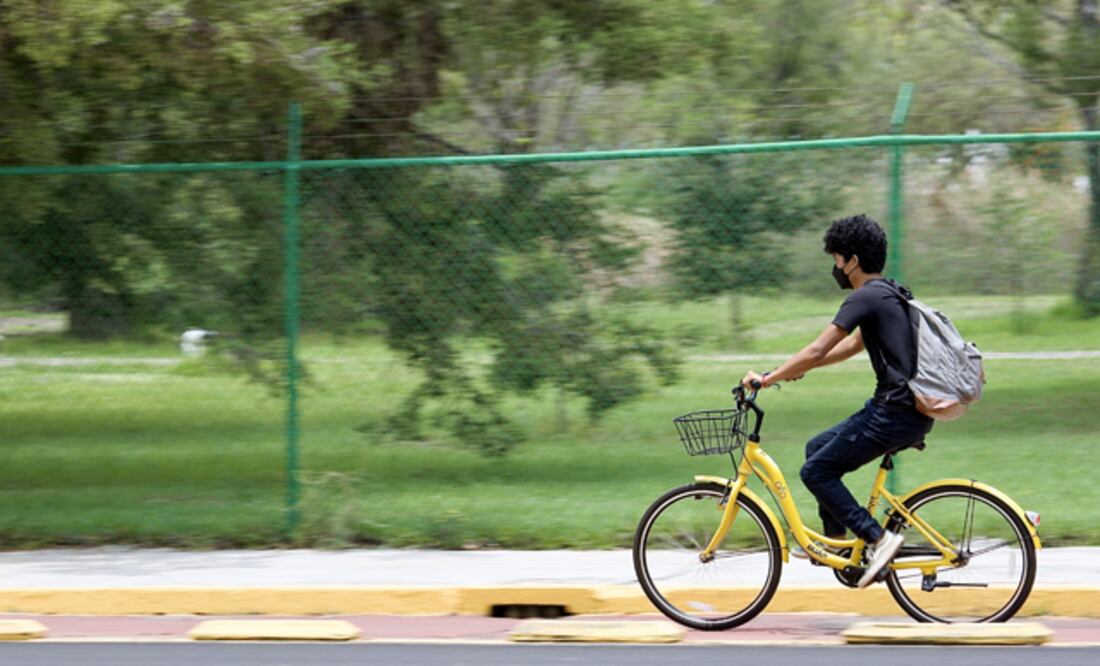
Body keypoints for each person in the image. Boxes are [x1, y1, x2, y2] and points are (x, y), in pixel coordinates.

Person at [739, 214, 933, 588]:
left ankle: (879, 539)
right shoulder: (889, 291)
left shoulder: (863, 296)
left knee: (815, 472)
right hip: (902, 409)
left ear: (852, 261)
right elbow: (853, 345)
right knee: (817, 449)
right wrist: (798, 370)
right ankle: (841, 549)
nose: (836, 268)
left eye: (837, 260)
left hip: (892, 412)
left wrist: (767, 378)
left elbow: (817, 347)